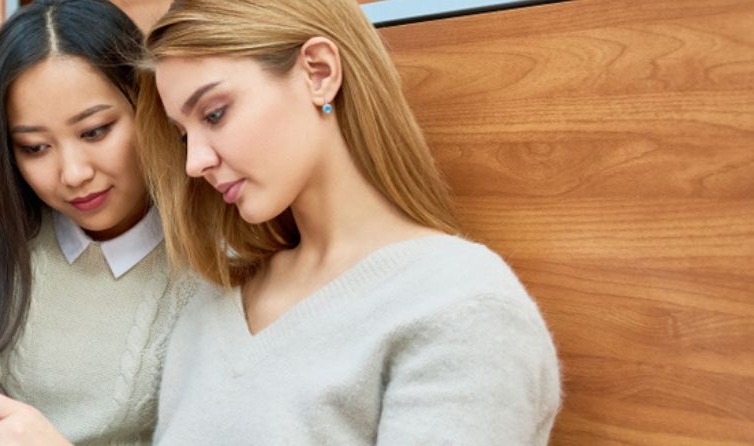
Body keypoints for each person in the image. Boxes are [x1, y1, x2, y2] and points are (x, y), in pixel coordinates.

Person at [133, 0, 562, 443]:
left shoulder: (463, 307)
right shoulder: (212, 304)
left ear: (318, 72)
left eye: (215, 114)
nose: (194, 162)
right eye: (184, 134)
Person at [0, 1, 206, 444]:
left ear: (150, 105)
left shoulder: (215, 251)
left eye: (95, 131)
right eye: (35, 147)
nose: (74, 173)